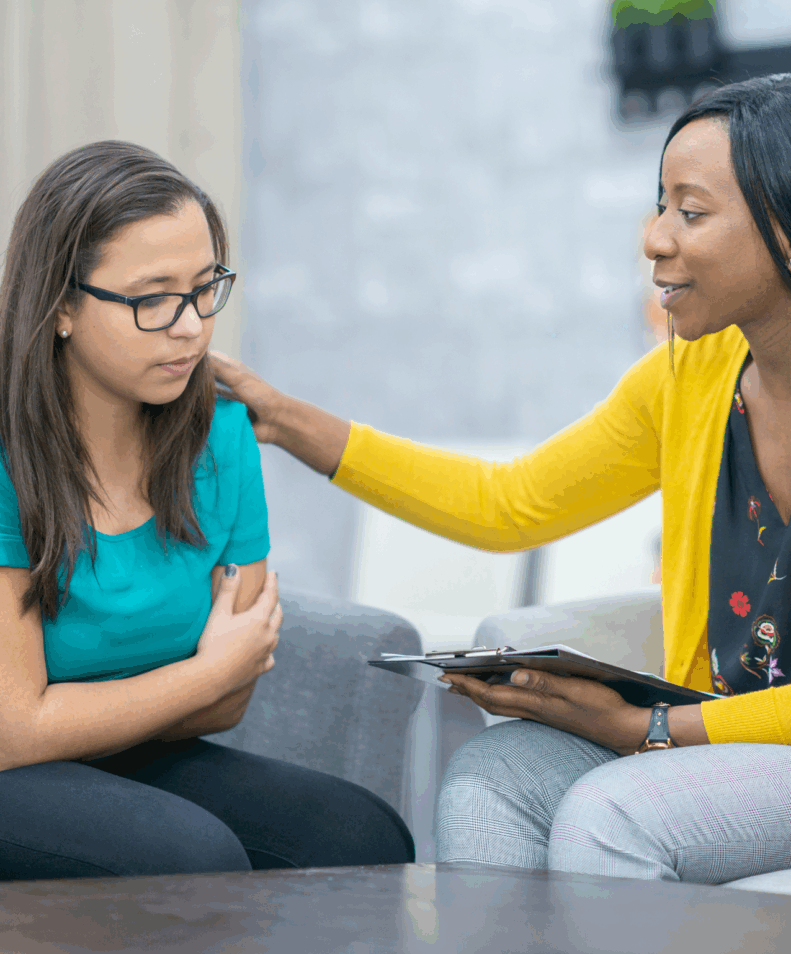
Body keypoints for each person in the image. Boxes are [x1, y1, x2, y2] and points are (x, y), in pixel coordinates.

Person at [212, 74, 791, 886]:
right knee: (493, 781)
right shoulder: (688, 376)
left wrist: (649, 729)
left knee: (613, 812)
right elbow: (509, 503)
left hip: (740, 740)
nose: (654, 239)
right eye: (658, 206)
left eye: (689, 212)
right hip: (713, 732)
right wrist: (288, 422)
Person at [0, 141, 414, 881]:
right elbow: (14, 731)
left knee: (362, 836)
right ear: (61, 305)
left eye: (203, 289)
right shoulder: (9, 455)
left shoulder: (222, 434)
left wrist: (83, 714)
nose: (190, 326)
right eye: (152, 298)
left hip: (135, 754)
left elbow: (232, 698)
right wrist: (200, 675)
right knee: (195, 857)